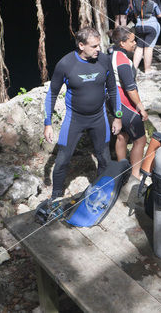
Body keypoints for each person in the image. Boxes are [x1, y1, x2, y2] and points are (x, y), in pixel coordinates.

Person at [43, 26, 123, 201]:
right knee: (63, 159)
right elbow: (52, 94)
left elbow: (113, 89)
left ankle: (101, 191)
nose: (98, 49)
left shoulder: (104, 60)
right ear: (81, 45)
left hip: (99, 118)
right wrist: (47, 123)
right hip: (75, 119)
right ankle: (56, 195)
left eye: (99, 45)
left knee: (104, 159)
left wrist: (118, 116)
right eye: (94, 46)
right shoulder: (66, 64)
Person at [109, 26, 149, 181]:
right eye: (132, 41)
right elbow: (130, 88)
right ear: (122, 43)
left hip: (114, 103)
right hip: (125, 104)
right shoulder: (122, 60)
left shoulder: (112, 53)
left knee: (122, 136)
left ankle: (121, 171)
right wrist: (141, 108)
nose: (135, 44)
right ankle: (134, 174)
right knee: (140, 140)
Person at [131, 0, 161, 73]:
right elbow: (160, 15)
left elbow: (135, 14)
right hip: (151, 27)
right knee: (148, 48)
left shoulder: (135, 0)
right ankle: (147, 69)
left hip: (139, 27)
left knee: (139, 47)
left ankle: (134, 69)